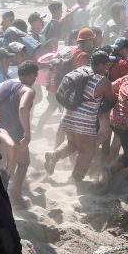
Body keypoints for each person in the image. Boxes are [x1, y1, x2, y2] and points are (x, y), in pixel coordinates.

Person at [45, 51, 117, 184]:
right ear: (101, 65)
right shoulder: (103, 81)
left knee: (73, 143)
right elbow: (112, 99)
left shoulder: (80, 70)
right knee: (88, 150)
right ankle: (74, 179)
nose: (108, 66)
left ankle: (53, 155)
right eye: (107, 64)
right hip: (84, 122)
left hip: (67, 117)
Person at [0, 61, 38, 207]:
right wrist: (27, 134)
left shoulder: (5, 83)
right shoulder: (28, 90)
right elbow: (23, 108)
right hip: (14, 133)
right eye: (34, 76)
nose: (34, 80)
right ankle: (15, 196)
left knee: (3, 163)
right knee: (23, 162)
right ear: (29, 76)